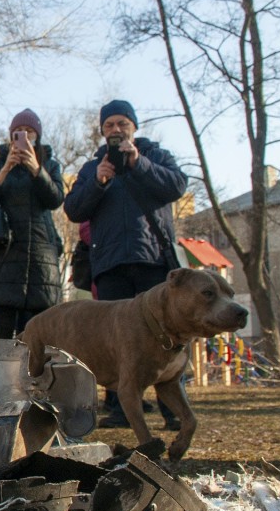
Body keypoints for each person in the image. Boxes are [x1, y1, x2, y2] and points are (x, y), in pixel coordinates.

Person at [64, 99, 188, 428]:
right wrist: (98, 182)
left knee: (166, 335)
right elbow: (74, 209)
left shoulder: (155, 156)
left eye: (122, 124)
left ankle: (173, 409)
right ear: (102, 132)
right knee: (113, 337)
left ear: (134, 126)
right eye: (109, 126)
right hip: (109, 264)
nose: (116, 130)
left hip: (153, 260)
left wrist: (137, 163)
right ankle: (120, 409)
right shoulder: (93, 167)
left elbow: (177, 186)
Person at [0, 108, 65, 339]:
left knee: (38, 330)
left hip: (40, 256)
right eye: (18, 132)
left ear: (37, 136)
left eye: (29, 131)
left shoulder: (50, 165)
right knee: (2, 328)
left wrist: (36, 168)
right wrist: (5, 169)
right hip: (5, 254)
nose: (24, 135)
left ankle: (36, 376)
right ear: (11, 136)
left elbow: (55, 199)